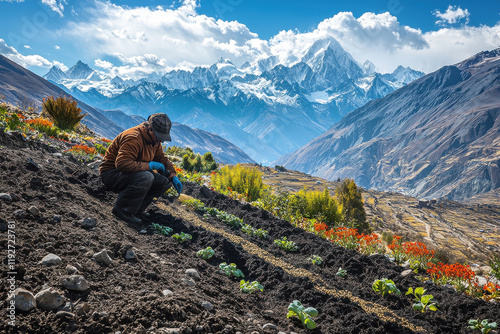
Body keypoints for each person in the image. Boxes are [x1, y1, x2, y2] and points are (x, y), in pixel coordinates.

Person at [99, 113, 183, 224]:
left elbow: (161, 158)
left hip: (132, 174)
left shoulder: (154, 141)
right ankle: (122, 210)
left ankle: (136, 210)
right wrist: (150, 166)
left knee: (164, 182)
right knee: (146, 176)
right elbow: (122, 164)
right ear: (149, 128)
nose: (160, 141)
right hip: (112, 174)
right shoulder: (133, 138)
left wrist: (173, 175)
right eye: (158, 137)